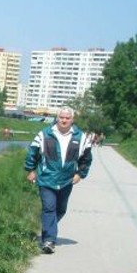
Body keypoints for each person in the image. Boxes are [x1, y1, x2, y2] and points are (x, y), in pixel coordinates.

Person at [24, 106, 93, 254]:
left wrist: (80, 174)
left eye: (67, 118)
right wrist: (31, 170)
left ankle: (48, 227)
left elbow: (86, 159)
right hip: (47, 179)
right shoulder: (44, 134)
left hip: (67, 180)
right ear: (57, 118)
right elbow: (33, 153)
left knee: (61, 209)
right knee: (49, 207)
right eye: (62, 117)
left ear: (72, 120)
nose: (64, 120)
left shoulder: (81, 138)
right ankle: (49, 240)